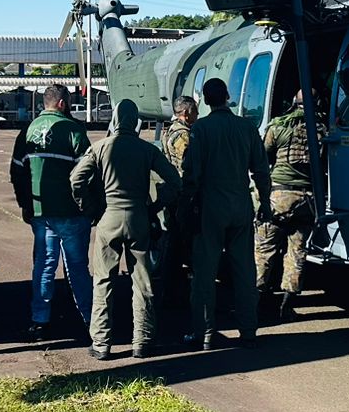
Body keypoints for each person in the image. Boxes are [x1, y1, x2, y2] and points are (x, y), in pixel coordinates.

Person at [70, 98, 182, 360]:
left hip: (109, 217)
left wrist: (89, 207)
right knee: (141, 281)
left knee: (103, 280)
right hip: (138, 218)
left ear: (115, 119)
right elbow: (175, 181)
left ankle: (101, 343)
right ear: (137, 122)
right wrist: (155, 205)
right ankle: (141, 341)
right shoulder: (147, 149)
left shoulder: (100, 148)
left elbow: (76, 179)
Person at [182, 78, 272, 349]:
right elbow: (261, 169)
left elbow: (192, 174)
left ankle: (205, 332)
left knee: (205, 272)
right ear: (228, 97)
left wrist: (185, 206)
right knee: (245, 270)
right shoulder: (246, 127)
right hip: (241, 205)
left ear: (206, 101)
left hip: (211, 207)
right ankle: (248, 331)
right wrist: (265, 203)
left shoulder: (201, 128)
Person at [11, 84, 92, 342]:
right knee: (78, 268)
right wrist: (88, 205)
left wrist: (26, 204)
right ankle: (91, 320)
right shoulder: (74, 131)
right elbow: (88, 173)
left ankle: (40, 321)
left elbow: (17, 173)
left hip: (40, 212)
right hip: (72, 213)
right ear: (62, 104)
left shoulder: (27, 132)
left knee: (44, 267)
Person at [255, 91, 323, 323]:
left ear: (293, 103)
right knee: (297, 252)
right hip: (307, 199)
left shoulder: (279, 127)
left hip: (279, 196)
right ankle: (287, 304)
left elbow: (263, 157)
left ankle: (258, 302)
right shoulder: (320, 130)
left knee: (264, 250)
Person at [157, 95, 198, 301]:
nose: (196, 115)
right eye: (195, 111)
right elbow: (187, 165)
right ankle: (177, 289)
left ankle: (168, 286)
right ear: (186, 112)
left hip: (173, 192)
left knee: (172, 239)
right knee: (182, 240)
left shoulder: (168, 131)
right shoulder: (183, 135)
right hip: (183, 193)